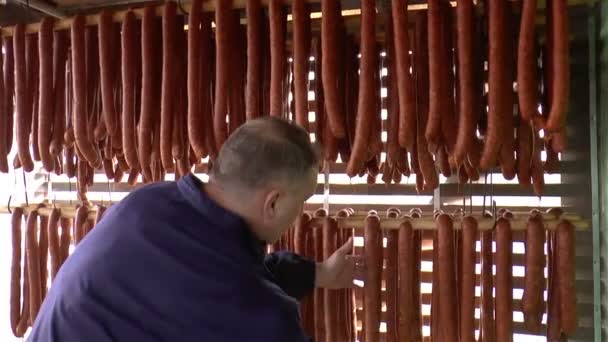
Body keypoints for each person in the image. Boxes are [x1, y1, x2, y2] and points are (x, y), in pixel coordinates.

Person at [28, 117, 359, 342]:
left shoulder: (148, 203)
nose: (299, 213)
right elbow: (230, 293)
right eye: (300, 201)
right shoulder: (263, 318)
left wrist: (316, 274)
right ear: (272, 203)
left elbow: (213, 281)